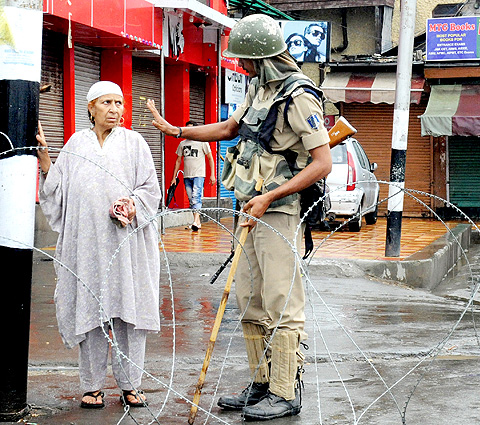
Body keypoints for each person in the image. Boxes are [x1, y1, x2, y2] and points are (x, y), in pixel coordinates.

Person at [146, 14, 331, 421]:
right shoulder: (258, 88)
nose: (241, 65)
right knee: (248, 298)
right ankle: (262, 383)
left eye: (245, 59)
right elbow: (231, 128)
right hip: (248, 207)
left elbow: (322, 163)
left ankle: (285, 390)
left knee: (281, 301)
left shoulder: (299, 95)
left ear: (262, 57)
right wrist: (178, 131)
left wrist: (272, 196)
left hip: (278, 211)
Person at [37, 81, 161, 409]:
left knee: (128, 314)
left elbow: (151, 189)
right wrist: (46, 157)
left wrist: (133, 205)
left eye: (119, 103)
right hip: (87, 246)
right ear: (90, 108)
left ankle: (131, 385)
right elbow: (57, 190)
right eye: (107, 103)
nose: (114, 109)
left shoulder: (135, 143)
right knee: (90, 312)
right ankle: (92, 386)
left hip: (127, 245)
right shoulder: (76, 144)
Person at [170, 120, 216, 231]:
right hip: (187, 175)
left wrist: (212, 174)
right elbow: (178, 161)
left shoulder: (202, 142)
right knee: (191, 199)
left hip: (199, 174)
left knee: (196, 197)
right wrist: (174, 177)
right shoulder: (182, 144)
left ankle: (195, 221)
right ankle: (197, 222)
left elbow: (210, 158)